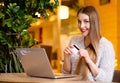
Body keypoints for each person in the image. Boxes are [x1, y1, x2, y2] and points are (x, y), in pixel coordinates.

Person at [63, 5, 115, 82]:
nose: (81, 26)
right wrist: (66, 57)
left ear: (94, 23)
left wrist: (88, 60)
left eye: (86, 21)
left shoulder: (106, 46)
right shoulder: (74, 40)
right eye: (79, 21)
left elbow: (106, 80)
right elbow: (66, 73)